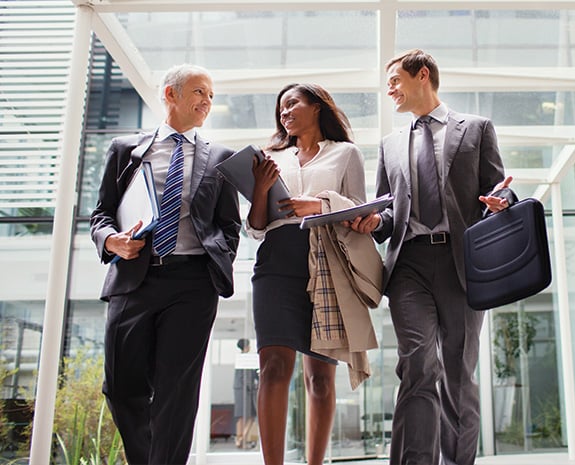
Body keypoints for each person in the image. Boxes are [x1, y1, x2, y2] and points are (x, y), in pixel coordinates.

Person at [347, 49, 514, 465]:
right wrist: (373, 222)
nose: (389, 90)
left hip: (462, 264)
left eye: (394, 81)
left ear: (423, 75)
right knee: (417, 365)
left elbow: (500, 186)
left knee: (458, 372)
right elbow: (388, 212)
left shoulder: (475, 129)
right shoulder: (389, 144)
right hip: (409, 266)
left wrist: (502, 201)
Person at [89, 64, 241, 465]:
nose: (207, 101)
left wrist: (218, 259)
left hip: (193, 283)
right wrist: (112, 241)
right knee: (121, 386)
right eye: (199, 92)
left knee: (177, 392)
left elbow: (230, 225)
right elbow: (101, 215)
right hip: (134, 278)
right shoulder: (126, 149)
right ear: (170, 95)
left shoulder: (221, 158)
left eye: (211, 95)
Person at [247, 83, 376, 465]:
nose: (284, 113)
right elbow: (255, 228)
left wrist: (318, 205)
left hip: (326, 264)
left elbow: (358, 211)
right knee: (272, 366)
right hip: (274, 265)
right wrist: (260, 189)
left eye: (292, 104)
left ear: (317, 106)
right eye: (280, 109)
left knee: (320, 377)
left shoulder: (346, 154)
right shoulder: (270, 157)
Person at [234, 338, 258, 449]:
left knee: (241, 416)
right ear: (245, 347)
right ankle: (241, 439)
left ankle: (240, 439)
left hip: (241, 389)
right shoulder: (245, 358)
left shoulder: (239, 358)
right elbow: (246, 376)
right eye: (248, 345)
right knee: (251, 415)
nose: (250, 347)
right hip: (245, 390)